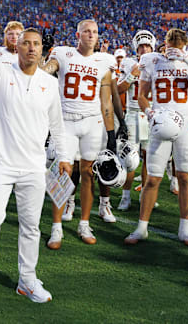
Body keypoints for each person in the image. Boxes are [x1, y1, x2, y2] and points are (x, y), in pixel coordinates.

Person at [0, 0, 71, 305]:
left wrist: (64, 157)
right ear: (17, 47)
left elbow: (58, 125)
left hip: (34, 166)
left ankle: (27, 278)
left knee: (31, 225)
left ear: (43, 49)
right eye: (26, 42)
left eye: (36, 43)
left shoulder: (49, 84)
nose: (31, 47)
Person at [124, 28, 188, 245]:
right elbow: (142, 96)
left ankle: (185, 229)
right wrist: (149, 113)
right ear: (164, 43)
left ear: (185, 45)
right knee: (153, 178)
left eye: (178, 45)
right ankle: (141, 228)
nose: (173, 48)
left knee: (184, 177)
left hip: (185, 125)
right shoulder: (152, 60)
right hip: (159, 123)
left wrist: (185, 58)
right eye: (170, 43)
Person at [41, 18, 118, 247]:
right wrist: (44, 60)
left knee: (88, 173)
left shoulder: (105, 61)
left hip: (92, 122)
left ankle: (84, 223)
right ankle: (56, 228)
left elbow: (106, 100)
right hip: (66, 121)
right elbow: (46, 72)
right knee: (62, 172)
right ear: (78, 34)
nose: (91, 35)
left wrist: (111, 131)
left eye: (94, 31)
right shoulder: (63, 54)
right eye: (86, 31)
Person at [116, 31, 154, 211]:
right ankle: (126, 196)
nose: (144, 49)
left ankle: (145, 196)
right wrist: (132, 75)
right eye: (141, 46)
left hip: (152, 115)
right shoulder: (129, 63)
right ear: (136, 48)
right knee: (130, 159)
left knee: (150, 159)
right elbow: (119, 89)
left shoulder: (158, 63)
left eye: (147, 46)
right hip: (133, 114)